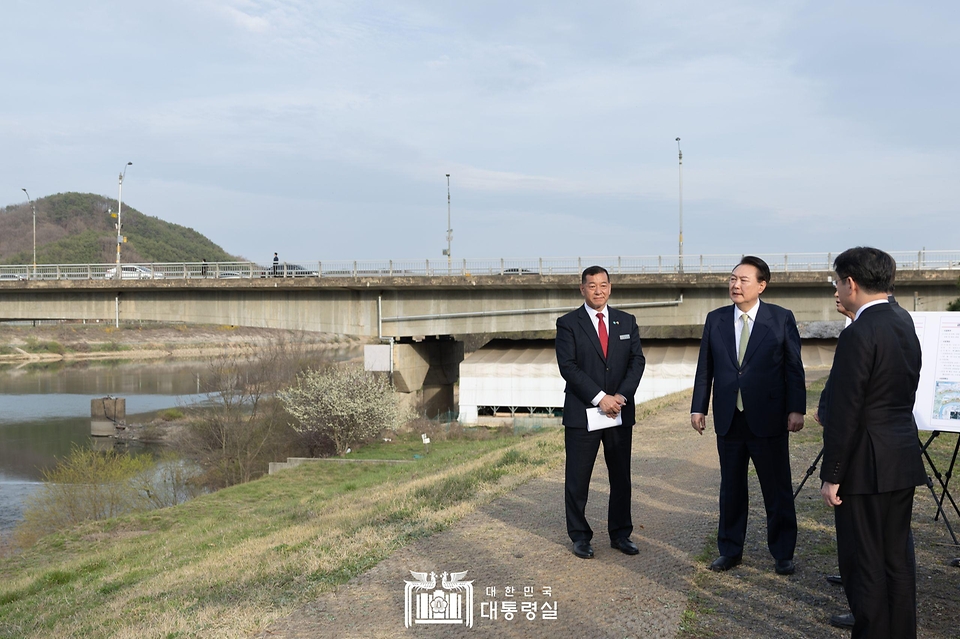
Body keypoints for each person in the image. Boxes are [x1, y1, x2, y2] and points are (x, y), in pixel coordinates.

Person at [819, 247, 926, 639]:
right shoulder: (902, 320)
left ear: (850, 283)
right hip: (901, 454)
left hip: (864, 464)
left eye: (836, 282)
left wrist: (833, 475)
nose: (836, 289)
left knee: (864, 564)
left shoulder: (859, 332)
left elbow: (846, 413)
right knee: (896, 559)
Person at [691, 256, 806, 575]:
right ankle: (730, 549)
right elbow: (706, 367)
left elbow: (794, 367)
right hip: (729, 417)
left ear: (761, 285)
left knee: (777, 487)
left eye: (743, 280)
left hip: (769, 417)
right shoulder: (715, 319)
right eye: (732, 279)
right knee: (731, 487)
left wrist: (796, 408)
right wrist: (699, 406)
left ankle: (783, 552)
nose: (735, 285)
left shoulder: (781, 318)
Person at [556, 265, 645, 559]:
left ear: (610, 287)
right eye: (592, 286)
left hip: (618, 412)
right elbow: (568, 367)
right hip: (584, 413)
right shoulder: (568, 323)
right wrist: (599, 397)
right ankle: (580, 536)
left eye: (603, 285)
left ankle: (621, 534)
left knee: (621, 477)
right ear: (582, 289)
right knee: (578, 478)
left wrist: (619, 396)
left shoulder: (626, 321)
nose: (598, 291)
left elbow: (637, 362)